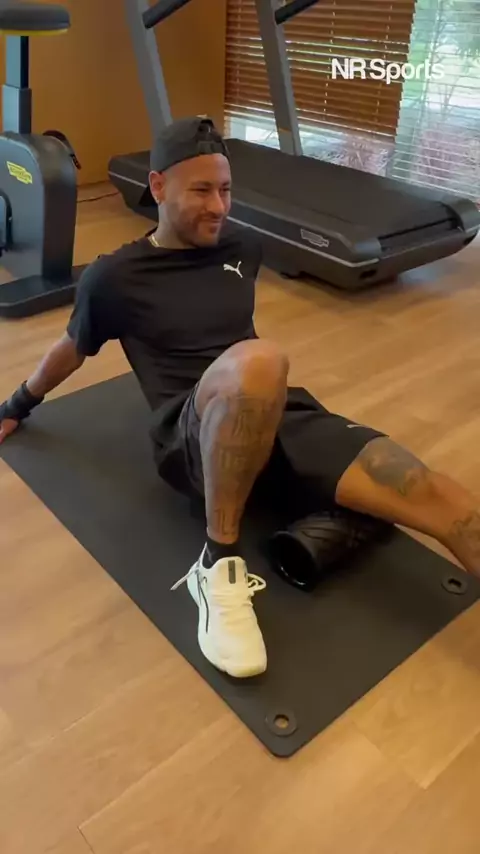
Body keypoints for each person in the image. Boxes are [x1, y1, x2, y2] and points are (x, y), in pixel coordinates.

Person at [1, 116, 479, 680]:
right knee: (259, 360)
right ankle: (218, 563)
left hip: (275, 412)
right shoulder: (114, 277)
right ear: (158, 186)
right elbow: (72, 348)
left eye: (226, 190)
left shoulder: (242, 247)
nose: (219, 207)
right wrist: (16, 405)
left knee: (434, 492)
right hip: (190, 435)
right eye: (202, 190)